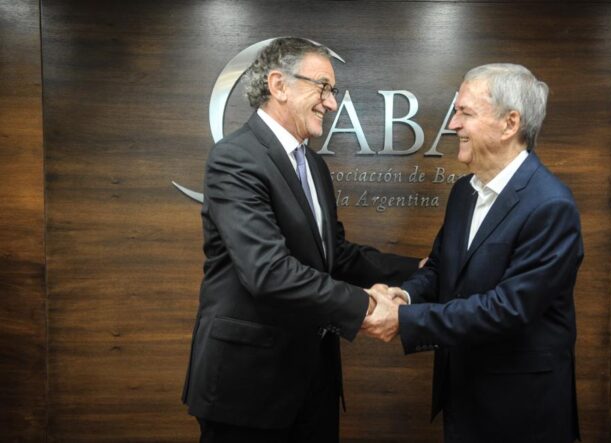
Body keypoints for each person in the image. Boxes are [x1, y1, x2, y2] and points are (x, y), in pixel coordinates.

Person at [181, 37, 419, 443]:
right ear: (279, 85)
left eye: (332, 91)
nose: (331, 103)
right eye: (323, 87)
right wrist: (365, 306)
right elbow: (268, 272)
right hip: (248, 389)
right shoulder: (235, 158)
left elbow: (335, 255)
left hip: (313, 382)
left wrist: (418, 270)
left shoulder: (313, 165)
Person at [363, 63, 584, 443]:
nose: (453, 124)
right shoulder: (464, 192)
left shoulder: (551, 205)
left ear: (509, 123)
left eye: (465, 112)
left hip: (521, 411)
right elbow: (440, 268)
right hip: (464, 396)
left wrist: (405, 319)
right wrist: (406, 295)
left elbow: (509, 308)